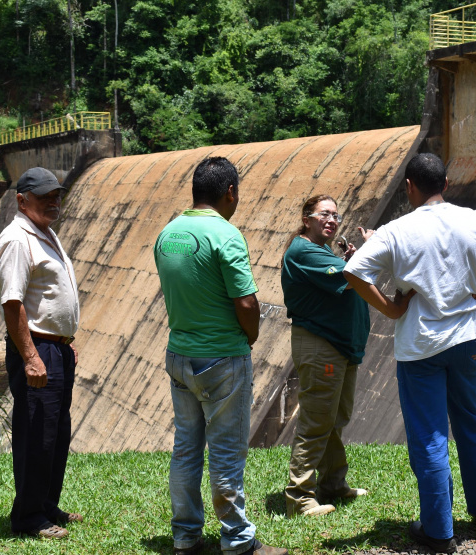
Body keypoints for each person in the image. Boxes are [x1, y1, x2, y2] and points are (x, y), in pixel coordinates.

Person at [344, 153, 476, 554]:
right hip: (467, 338)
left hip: (420, 346)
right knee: (470, 420)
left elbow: (354, 272)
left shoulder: (395, 231)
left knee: (430, 434)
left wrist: (391, 308)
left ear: (409, 187)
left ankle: (438, 531)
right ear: (447, 184)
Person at [153, 157, 287, 555]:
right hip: (221, 359)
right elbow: (247, 304)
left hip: (179, 355)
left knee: (186, 448)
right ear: (230, 192)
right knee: (226, 452)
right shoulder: (225, 235)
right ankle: (239, 540)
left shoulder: (168, 233)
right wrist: (251, 336)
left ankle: (185, 536)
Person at [0, 167, 82, 539]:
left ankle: (46, 505)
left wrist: (64, 340)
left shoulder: (42, 232)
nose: (53, 201)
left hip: (55, 348)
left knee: (56, 432)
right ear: (21, 200)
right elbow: (12, 304)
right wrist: (31, 356)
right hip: (36, 348)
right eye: (45, 196)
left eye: (56, 195)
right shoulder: (17, 239)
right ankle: (28, 518)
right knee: (36, 434)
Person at [281, 195, 373, 518]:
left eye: (336, 215)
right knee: (317, 420)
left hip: (339, 347)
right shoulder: (304, 250)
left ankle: (333, 484)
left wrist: (352, 259)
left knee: (335, 419)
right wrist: (367, 253)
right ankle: (299, 496)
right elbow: (349, 279)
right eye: (324, 214)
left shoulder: (321, 251)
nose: (332, 220)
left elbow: (345, 274)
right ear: (307, 218)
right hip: (322, 347)